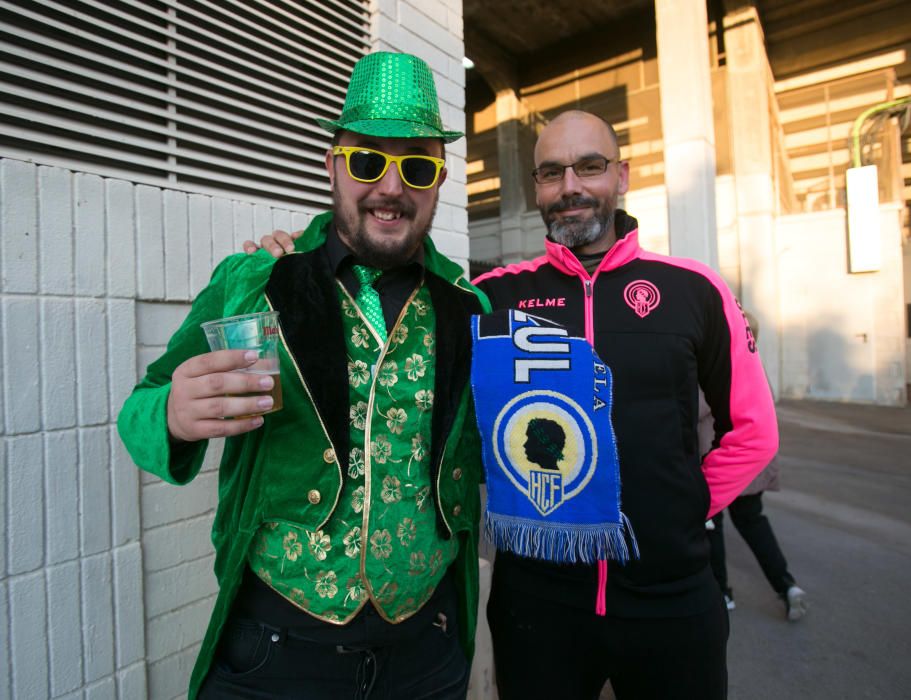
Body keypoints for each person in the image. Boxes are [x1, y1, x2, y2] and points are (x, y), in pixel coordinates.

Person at [249, 110, 779, 699]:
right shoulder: (492, 297)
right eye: (551, 173)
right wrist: (296, 255)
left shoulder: (692, 289)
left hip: (672, 599)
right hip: (538, 607)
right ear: (536, 190)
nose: (571, 186)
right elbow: (380, 279)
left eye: (591, 167)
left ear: (622, 176)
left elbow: (754, 432)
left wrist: (683, 506)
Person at [117, 51, 489, 700]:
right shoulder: (256, 281)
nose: (391, 188)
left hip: (426, 657)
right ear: (332, 165)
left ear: (439, 178)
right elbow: (139, 408)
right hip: (275, 658)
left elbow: (482, 459)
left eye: (417, 164)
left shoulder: (468, 308)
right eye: (367, 160)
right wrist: (172, 416)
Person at [703, 314, 808, 621]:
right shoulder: (755, 364)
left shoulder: (715, 366)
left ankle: (722, 591)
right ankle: (786, 585)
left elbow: (697, 410)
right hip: (752, 466)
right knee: (753, 522)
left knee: (713, 526)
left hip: (721, 460)